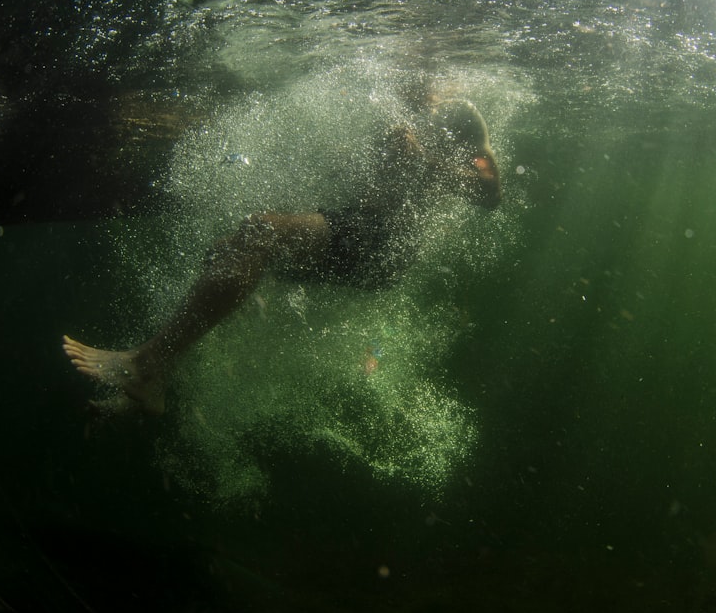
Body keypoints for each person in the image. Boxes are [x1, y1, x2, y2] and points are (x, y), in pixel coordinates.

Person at [62, 98, 502, 415]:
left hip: (380, 246)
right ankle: (157, 384)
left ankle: (148, 363)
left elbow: (489, 189)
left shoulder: (461, 112)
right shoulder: (407, 105)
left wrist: (422, 158)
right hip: (359, 228)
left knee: (261, 234)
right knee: (229, 253)